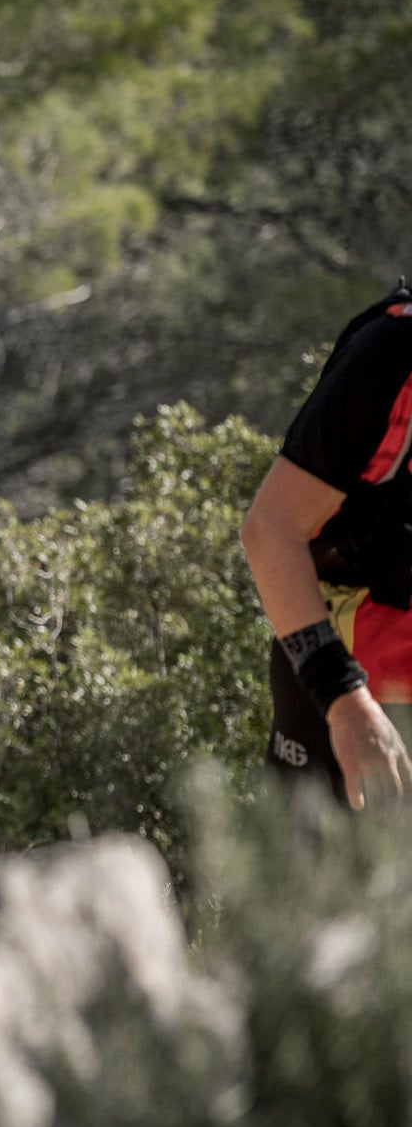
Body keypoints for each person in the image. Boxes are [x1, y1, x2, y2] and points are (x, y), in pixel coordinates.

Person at [242, 282, 412, 810]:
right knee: (320, 889)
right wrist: (343, 700)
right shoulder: (391, 354)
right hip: (351, 690)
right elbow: (270, 531)